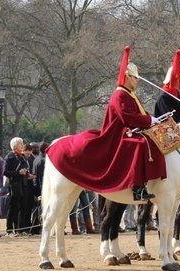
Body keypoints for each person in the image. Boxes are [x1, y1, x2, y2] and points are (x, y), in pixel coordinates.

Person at [46, 46, 166, 201]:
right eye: (135, 77)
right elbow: (126, 118)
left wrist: (153, 119)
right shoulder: (119, 95)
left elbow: (139, 113)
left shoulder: (130, 94)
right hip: (117, 134)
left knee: (151, 139)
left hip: (131, 130)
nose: (137, 80)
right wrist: (149, 120)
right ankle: (138, 187)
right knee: (140, 144)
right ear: (127, 77)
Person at [5, 137, 33, 235]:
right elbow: (5, 172)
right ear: (15, 146)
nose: (22, 146)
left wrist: (27, 174)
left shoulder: (22, 157)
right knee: (13, 208)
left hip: (23, 184)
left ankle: (20, 229)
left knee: (22, 207)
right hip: (14, 185)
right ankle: (9, 229)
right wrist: (18, 172)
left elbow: (26, 168)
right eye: (20, 144)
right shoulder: (10, 156)